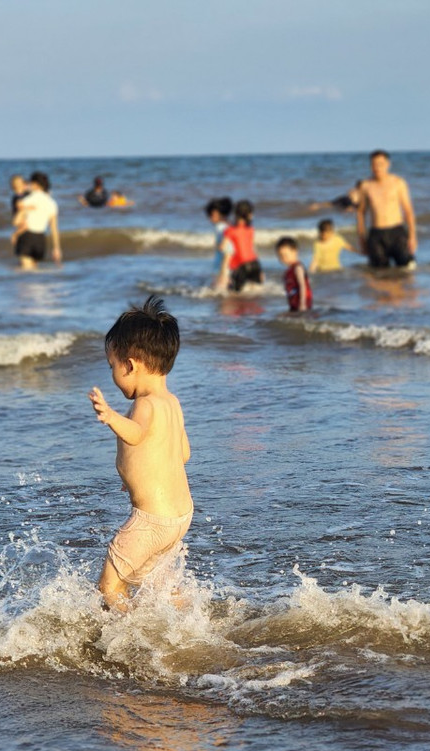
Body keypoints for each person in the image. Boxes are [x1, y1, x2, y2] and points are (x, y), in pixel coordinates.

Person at [87, 297, 193, 612]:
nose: (113, 375)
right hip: (179, 517)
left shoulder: (144, 404)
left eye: (112, 367)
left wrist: (110, 416)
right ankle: (190, 624)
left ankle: (135, 640)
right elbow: (182, 453)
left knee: (109, 585)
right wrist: (141, 472)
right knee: (157, 581)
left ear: (130, 365)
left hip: (151, 520)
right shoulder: (172, 402)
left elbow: (137, 434)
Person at [357, 150, 417, 269]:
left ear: (388, 164)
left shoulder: (398, 183)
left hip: (397, 232)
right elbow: (360, 213)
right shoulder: (366, 186)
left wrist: (412, 236)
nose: (377, 168)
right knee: (379, 274)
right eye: (374, 164)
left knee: (407, 269)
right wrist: (362, 239)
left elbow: (408, 211)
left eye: (380, 164)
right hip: (376, 234)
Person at [11, 171, 62, 270]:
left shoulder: (27, 200)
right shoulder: (52, 203)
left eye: (30, 183)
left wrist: (15, 233)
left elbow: (16, 221)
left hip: (27, 237)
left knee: (25, 275)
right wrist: (56, 248)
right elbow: (54, 229)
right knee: (35, 273)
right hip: (41, 239)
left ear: (35, 185)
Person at [219, 200, 262, 292]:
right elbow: (252, 248)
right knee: (256, 291)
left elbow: (222, 247)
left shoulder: (230, 230)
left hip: (241, 265)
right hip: (255, 264)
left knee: (233, 293)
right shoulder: (250, 229)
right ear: (249, 215)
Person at [276, 237, 312, 312]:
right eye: (280, 256)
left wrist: (302, 304)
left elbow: (302, 286)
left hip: (302, 305)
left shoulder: (298, 268)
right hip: (293, 305)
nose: (283, 258)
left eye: (285, 255)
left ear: (295, 252)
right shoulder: (288, 271)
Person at [206, 197, 234, 290]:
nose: (209, 219)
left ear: (216, 214)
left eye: (210, 215)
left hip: (224, 268)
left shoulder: (221, 228)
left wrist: (223, 272)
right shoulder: (229, 226)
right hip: (229, 267)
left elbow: (228, 251)